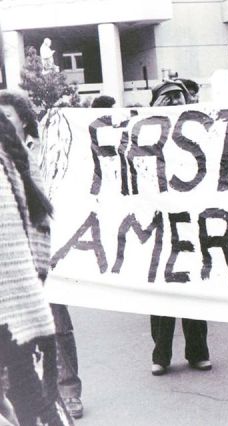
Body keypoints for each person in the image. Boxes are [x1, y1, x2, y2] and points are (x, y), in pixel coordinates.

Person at [0, 31, 73, 426]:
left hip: (21, 298)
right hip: (20, 302)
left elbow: (40, 225)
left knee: (32, 399)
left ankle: (68, 393)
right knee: (29, 400)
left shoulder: (19, 164)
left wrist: (37, 274)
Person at [149, 79, 211, 375]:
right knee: (161, 291)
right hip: (158, 223)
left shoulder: (200, 132)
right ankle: (160, 355)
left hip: (191, 221)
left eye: (179, 97)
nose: (174, 103)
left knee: (193, 288)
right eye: (167, 98)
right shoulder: (144, 135)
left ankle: (198, 352)